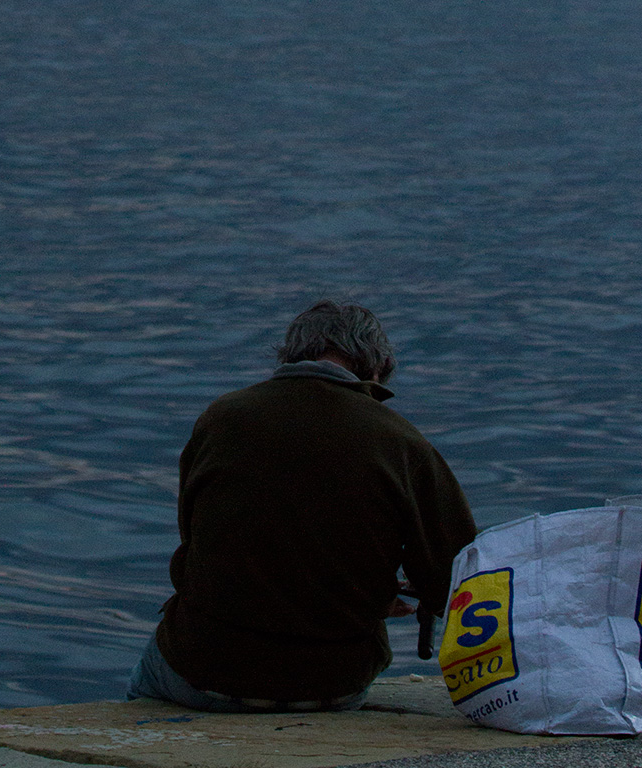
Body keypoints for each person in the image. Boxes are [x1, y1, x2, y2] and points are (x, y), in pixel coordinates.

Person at [127, 299, 476, 713]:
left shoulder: (221, 418)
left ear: (290, 354)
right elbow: (458, 575)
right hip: (330, 683)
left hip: (202, 670)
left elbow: (197, 539)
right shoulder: (401, 442)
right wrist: (372, 593)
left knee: (140, 694)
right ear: (377, 364)